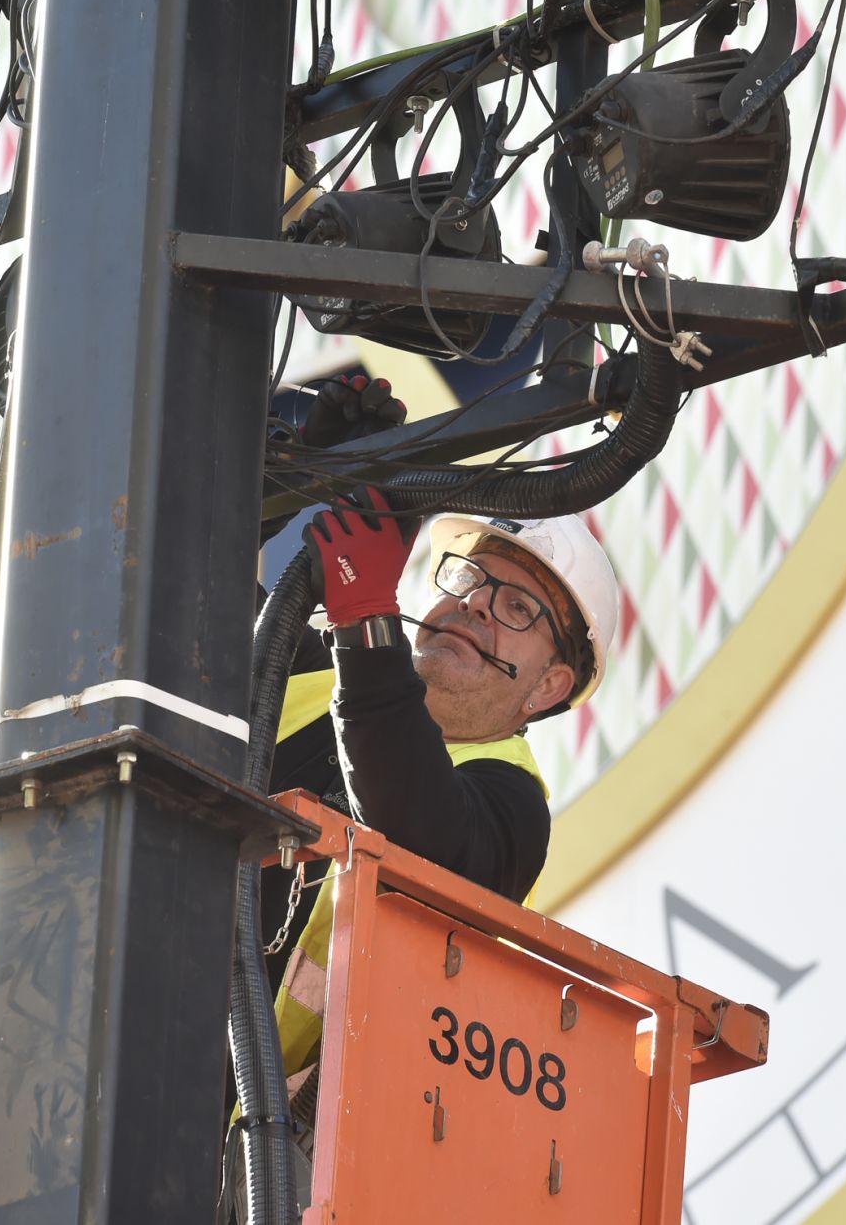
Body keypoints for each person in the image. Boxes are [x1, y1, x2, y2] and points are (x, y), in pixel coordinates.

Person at [233, 376, 620, 1210]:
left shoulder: (511, 805)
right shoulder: (300, 671)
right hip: (126, 1052)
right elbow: (178, 616)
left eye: (514, 606)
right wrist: (292, 482)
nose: (475, 607)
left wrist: (365, 619)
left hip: (262, 1157)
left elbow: (415, 836)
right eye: (468, 580)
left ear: (549, 686)